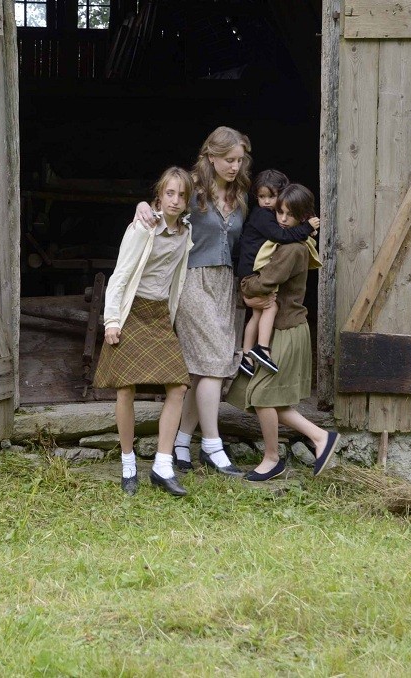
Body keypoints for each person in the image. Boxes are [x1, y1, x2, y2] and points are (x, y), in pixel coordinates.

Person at [134, 126, 250, 476]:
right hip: (193, 281)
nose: (234, 166)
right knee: (214, 360)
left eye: (239, 160)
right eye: (228, 159)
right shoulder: (194, 191)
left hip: (224, 284)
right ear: (210, 156)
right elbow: (162, 208)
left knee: (205, 367)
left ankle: (183, 439)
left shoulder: (241, 193)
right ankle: (213, 444)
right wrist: (143, 205)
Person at [226, 184, 341, 481]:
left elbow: (262, 283)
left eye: (291, 215)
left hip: (288, 331)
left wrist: (244, 288)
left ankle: (272, 457)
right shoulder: (289, 243)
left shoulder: (291, 249)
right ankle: (319, 438)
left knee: (263, 396)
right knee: (261, 397)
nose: (282, 219)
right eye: (280, 212)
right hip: (280, 329)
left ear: (305, 217)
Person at [94, 167, 194, 497]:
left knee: (178, 385)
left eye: (181, 195)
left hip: (159, 314)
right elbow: (120, 275)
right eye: (170, 193)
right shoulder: (143, 227)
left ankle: (162, 466)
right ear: (159, 195)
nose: (175, 200)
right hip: (132, 310)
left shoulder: (185, 233)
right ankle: (127, 461)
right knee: (126, 388)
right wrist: (111, 320)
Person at [237, 169, 320, 378]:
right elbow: (281, 236)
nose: (266, 202)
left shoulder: (270, 215)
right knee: (270, 306)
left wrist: (306, 228)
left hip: (252, 273)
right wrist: (306, 229)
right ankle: (261, 349)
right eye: (261, 196)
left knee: (256, 315)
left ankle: (246, 357)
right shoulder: (263, 215)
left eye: (271, 196)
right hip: (252, 275)